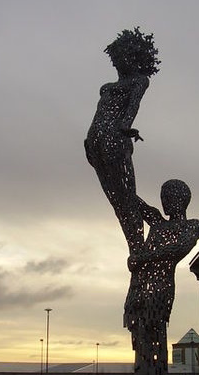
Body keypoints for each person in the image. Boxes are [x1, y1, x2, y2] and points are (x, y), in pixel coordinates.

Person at [84, 28, 160, 255]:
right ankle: (138, 242)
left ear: (134, 56)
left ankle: (139, 244)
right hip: (94, 141)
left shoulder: (139, 81)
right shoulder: (105, 87)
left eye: (122, 56)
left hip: (114, 138)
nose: (118, 62)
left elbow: (133, 106)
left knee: (125, 195)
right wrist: (89, 142)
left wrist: (125, 127)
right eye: (115, 58)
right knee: (115, 198)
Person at [124, 179, 199, 343]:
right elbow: (132, 199)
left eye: (167, 197)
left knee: (154, 332)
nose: (164, 202)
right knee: (137, 335)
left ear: (181, 199)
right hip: (138, 288)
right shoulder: (157, 221)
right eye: (162, 197)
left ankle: (153, 367)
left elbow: (180, 248)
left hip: (160, 290)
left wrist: (142, 258)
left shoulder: (192, 225)